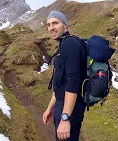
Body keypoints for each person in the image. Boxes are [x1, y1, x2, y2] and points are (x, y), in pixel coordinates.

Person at [42, 10, 87, 141]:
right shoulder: (63, 45)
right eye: (49, 24)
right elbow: (60, 84)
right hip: (62, 105)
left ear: (65, 25)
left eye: (55, 23)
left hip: (69, 108)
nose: (51, 28)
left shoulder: (69, 44)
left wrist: (65, 117)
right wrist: (50, 108)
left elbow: (74, 81)